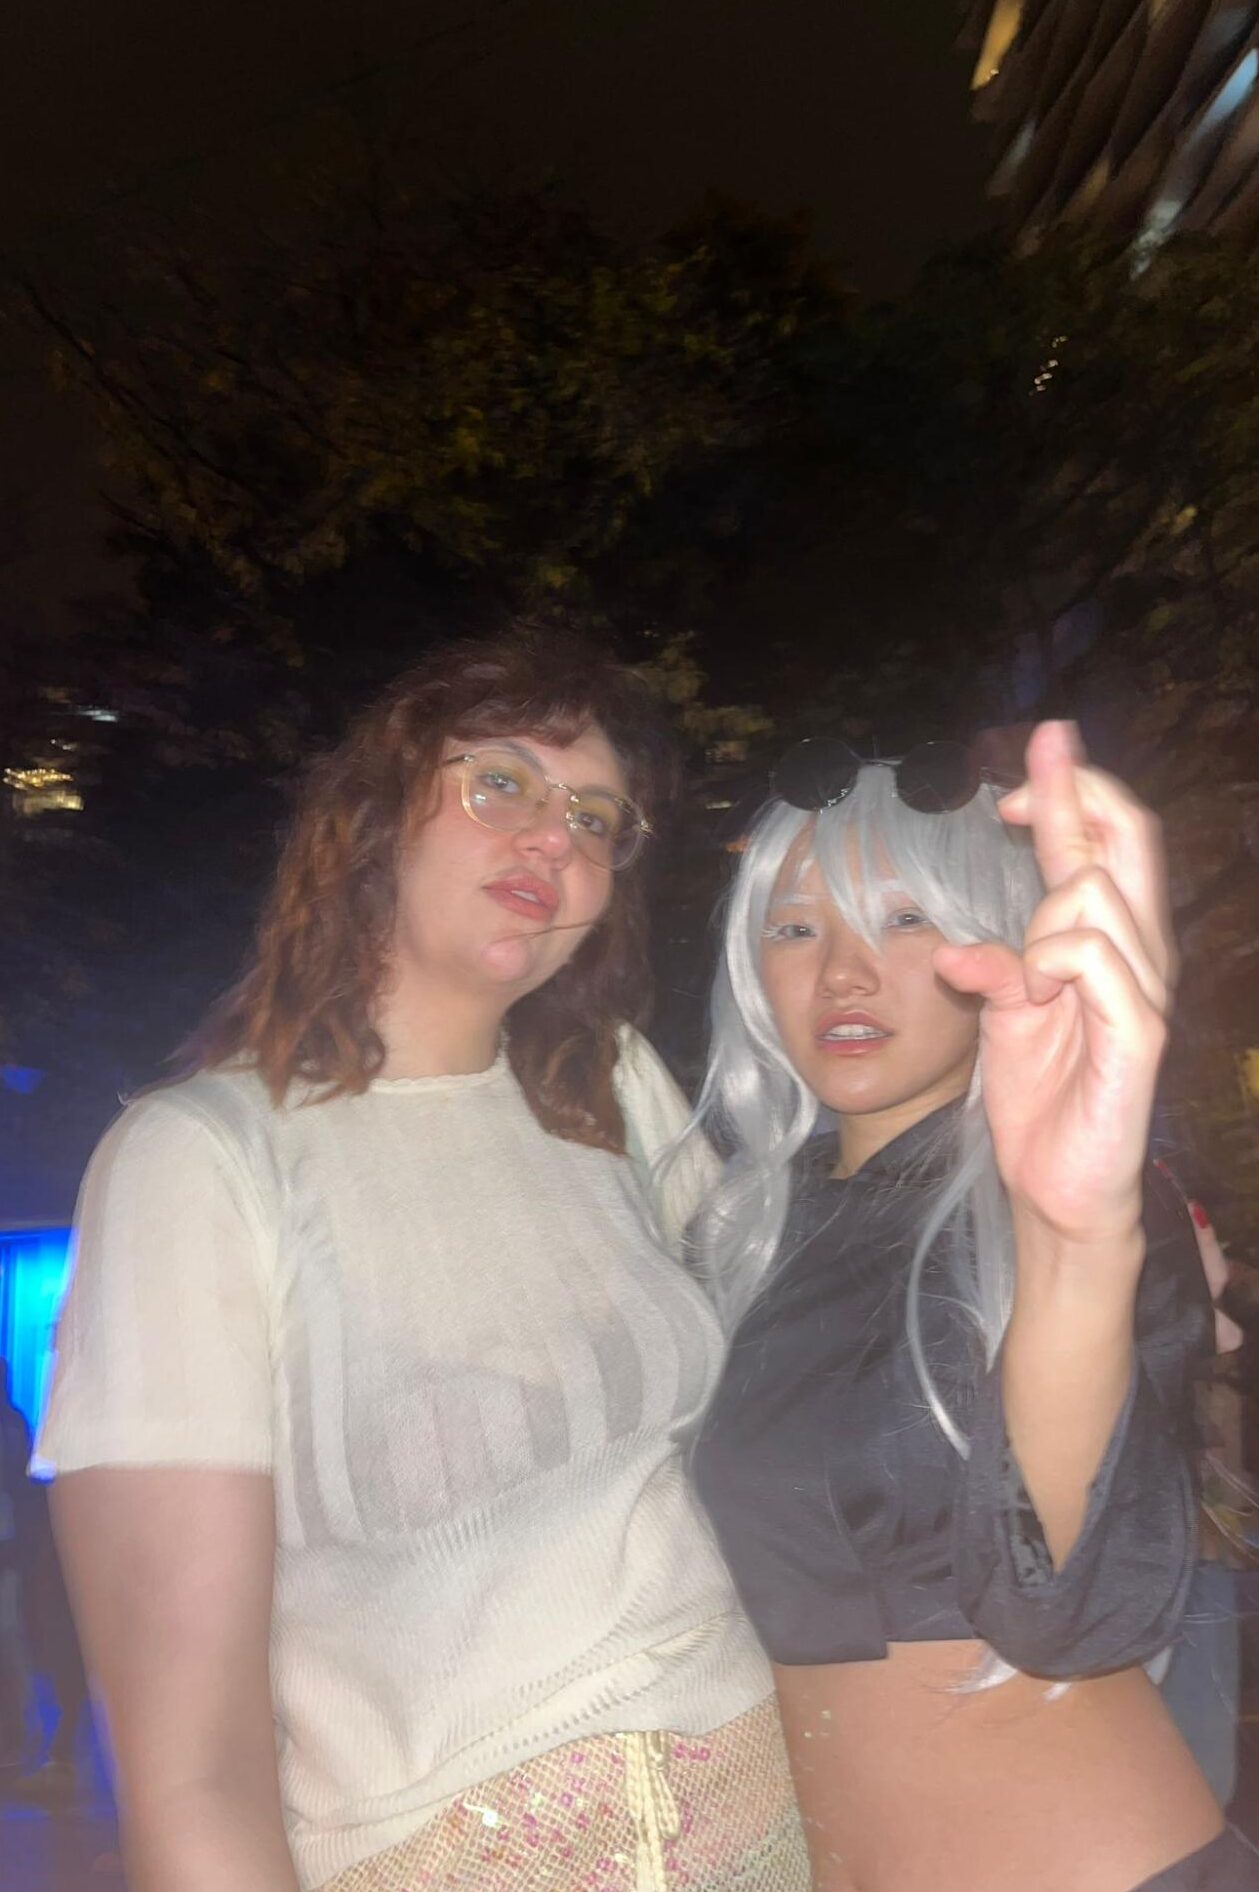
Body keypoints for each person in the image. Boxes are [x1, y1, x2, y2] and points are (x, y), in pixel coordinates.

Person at [36, 630, 809, 1892]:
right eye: (499, 782)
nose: (556, 837)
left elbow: (803, 1392)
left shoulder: (610, 1088)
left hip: (770, 1824)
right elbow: (191, 1774)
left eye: (597, 818)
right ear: (375, 816)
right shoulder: (203, 1162)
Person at [680, 724, 1259, 1891]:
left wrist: (1072, 1234)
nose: (841, 971)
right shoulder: (738, 1235)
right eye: (795, 927)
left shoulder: (1071, 1199)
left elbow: (1075, 1604)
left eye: (904, 917)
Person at [0, 1359, 33, 1767]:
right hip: (10, 1551)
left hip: (8, 1551)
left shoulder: (10, 1426)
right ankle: (16, 1731)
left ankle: (15, 1731)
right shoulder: (14, 1424)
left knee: (10, 1644)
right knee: (11, 1643)